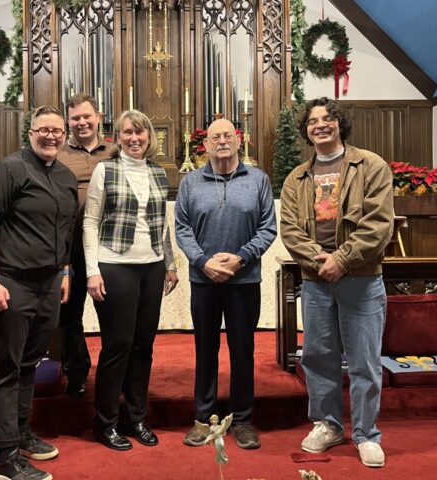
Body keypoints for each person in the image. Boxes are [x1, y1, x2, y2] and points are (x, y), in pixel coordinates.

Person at [279, 97, 393, 468]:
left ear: (339, 123)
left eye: (327, 118)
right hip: (316, 280)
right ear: (306, 131)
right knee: (318, 356)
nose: (320, 125)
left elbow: (379, 224)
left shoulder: (370, 166)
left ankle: (366, 433)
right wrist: (320, 260)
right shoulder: (297, 178)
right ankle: (327, 424)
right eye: (312, 121)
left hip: (361, 277)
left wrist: (341, 259)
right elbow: (290, 229)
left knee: (364, 359)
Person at [0, 105, 78, 480]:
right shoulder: (8, 170)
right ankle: (5, 460)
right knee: (5, 368)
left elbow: (65, 230)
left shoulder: (65, 176)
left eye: (57, 130)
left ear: (64, 135)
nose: (50, 136)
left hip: (48, 284)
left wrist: (64, 271)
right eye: (43, 130)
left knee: (29, 363)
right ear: (30, 133)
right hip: (11, 282)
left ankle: (20, 435)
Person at [175, 118, 277, 451]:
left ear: (238, 140)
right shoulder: (191, 182)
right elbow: (182, 229)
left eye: (227, 135)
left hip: (244, 280)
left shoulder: (258, 179)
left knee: (242, 350)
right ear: (205, 145)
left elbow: (267, 228)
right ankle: (203, 418)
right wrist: (203, 262)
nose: (221, 141)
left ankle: (242, 419)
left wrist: (241, 258)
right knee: (205, 350)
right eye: (215, 136)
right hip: (203, 281)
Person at [83, 109, 179, 451]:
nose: (134, 138)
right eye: (127, 132)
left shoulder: (157, 171)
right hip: (115, 265)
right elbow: (90, 222)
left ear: (149, 136)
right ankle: (106, 422)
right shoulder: (105, 169)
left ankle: (136, 417)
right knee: (118, 345)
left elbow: (162, 223)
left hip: (151, 267)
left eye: (140, 132)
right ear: (118, 137)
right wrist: (92, 270)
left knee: (143, 346)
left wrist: (169, 263)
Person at [57, 93, 110, 398]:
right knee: (68, 315)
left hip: (107, 250)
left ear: (98, 117)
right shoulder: (59, 153)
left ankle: (112, 374)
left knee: (111, 317)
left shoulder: (114, 152)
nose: (82, 122)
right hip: (69, 249)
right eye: (75, 118)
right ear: (68, 121)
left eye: (87, 116)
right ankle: (76, 372)